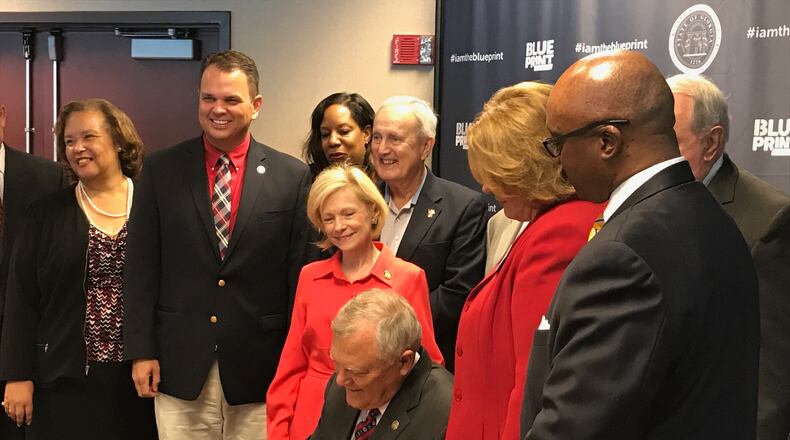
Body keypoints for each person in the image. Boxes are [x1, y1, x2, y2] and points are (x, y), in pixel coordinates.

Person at [520, 50, 759, 439]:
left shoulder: (622, 257)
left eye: (558, 143)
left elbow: (576, 427)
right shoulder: (713, 218)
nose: (558, 162)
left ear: (607, 142)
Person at [123, 50, 313, 439]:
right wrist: (141, 349)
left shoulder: (291, 176)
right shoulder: (160, 171)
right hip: (179, 364)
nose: (217, 109)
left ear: (256, 105)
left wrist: (297, 361)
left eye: (231, 99)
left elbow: (300, 276)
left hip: (262, 366)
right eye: (208, 98)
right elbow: (141, 266)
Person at [446, 82, 603, 440]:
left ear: (526, 167)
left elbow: (534, 379)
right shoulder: (545, 223)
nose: (486, 187)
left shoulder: (558, 234)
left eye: (495, 172)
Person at [0, 98, 156, 439]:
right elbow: (21, 298)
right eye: (69, 141)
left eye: (88, 137)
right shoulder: (45, 213)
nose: (78, 148)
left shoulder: (153, 204)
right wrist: (16, 374)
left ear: (117, 140)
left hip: (138, 380)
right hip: (62, 379)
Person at [266, 164, 443, 439]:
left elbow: (427, 369)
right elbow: (291, 364)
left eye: (348, 214)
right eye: (329, 218)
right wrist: (279, 431)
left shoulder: (407, 277)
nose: (339, 227)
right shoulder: (310, 277)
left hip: (378, 419)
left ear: (373, 211)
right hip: (310, 420)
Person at [667, 73, 790, 440]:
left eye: (671, 144)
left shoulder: (768, 219)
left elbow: (770, 373)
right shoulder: (641, 205)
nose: (653, 160)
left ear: (711, 142)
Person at [371, 95, 487, 372]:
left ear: (426, 146)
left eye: (395, 139)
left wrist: (385, 327)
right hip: (359, 365)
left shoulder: (462, 206)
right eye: (376, 137)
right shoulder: (358, 201)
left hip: (423, 363)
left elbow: (457, 292)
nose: (382, 149)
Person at [0, 103, 65, 440]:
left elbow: (49, 284)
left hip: (30, 364)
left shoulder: (47, 178)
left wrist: (18, 369)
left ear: (2, 116)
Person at [310, 289, 453, 440]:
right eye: (337, 363)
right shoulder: (342, 385)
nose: (340, 380)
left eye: (358, 371)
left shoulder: (446, 415)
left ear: (404, 362)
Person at [303, 92, 375, 177]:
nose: (332, 141)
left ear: (367, 134)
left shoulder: (388, 183)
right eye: (325, 134)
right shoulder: (307, 182)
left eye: (344, 132)